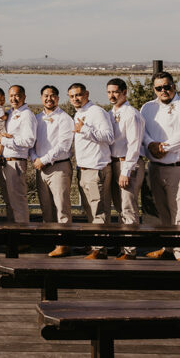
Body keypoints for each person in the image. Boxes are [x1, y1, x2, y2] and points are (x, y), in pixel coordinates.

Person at [141, 71, 180, 260]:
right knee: (163, 212)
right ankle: (168, 248)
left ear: (174, 86)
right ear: (154, 89)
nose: (163, 90)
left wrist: (164, 147)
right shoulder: (147, 107)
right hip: (156, 167)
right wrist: (151, 144)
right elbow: (141, 131)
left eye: (167, 86)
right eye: (159, 88)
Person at [68, 82, 116, 259]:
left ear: (86, 94)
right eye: (72, 96)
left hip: (97, 168)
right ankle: (95, 244)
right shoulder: (79, 113)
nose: (75, 99)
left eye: (78, 95)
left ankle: (100, 249)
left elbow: (109, 137)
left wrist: (85, 129)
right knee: (90, 210)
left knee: (99, 210)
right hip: (84, 168)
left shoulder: (97, 112)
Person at [106, 78, 145, 259]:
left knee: (129, 208)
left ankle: (130, 251)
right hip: (113, 162)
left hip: (127, 163)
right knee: (120, 208)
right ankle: (122, 245)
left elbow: (134, 145)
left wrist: (126, 170)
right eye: (109, 92)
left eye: (115, 92)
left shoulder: (131, 114)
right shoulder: (110, 113)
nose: (112, 96)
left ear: (124, 92)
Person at [32, 85, 74, 257]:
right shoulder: (37, 118)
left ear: (57, 98)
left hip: (59, 167)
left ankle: (64, 243)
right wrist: (34, 158)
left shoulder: (65, 118)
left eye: (53, 96)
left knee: (61, 206)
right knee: (46, 207)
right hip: (40, 167)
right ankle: (50, 240)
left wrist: (44, 159)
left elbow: (63, 145)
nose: (49, 99)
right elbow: (32, 143)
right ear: (41, 97)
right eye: (46, 96)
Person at [0, 85, 37, 223]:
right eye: (11, 96)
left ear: (24, 96)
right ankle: (12, 235)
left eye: (17, 95)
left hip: (16, 161)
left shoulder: (27, 115)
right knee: (9, 202)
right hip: (6, 162)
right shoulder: (11, 113)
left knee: (18, 202)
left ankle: (22, 238)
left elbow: (29, 141)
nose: (14, 98)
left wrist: (4, 140)